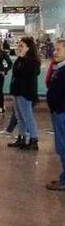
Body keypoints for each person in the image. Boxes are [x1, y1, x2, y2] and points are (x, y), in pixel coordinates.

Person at [9, 37, 41, 151]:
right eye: (19, 45)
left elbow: (21, 72)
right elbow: (15, 70)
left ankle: (33, 139)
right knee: (19, 117)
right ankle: (21, 138)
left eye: (22, 45)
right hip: (17, 91)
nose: (19, 47)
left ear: (28, 47)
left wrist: (21, 58)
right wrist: (20, 57)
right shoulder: (21, 59)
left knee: (27, 116)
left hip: (25, 92)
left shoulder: (32, 61)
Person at [46, 39, 65, 191]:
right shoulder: (59, 69)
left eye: (58, 50)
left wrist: (58, 108)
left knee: (63, 147)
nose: (54, 52)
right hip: (58, 112)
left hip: (62, 113)